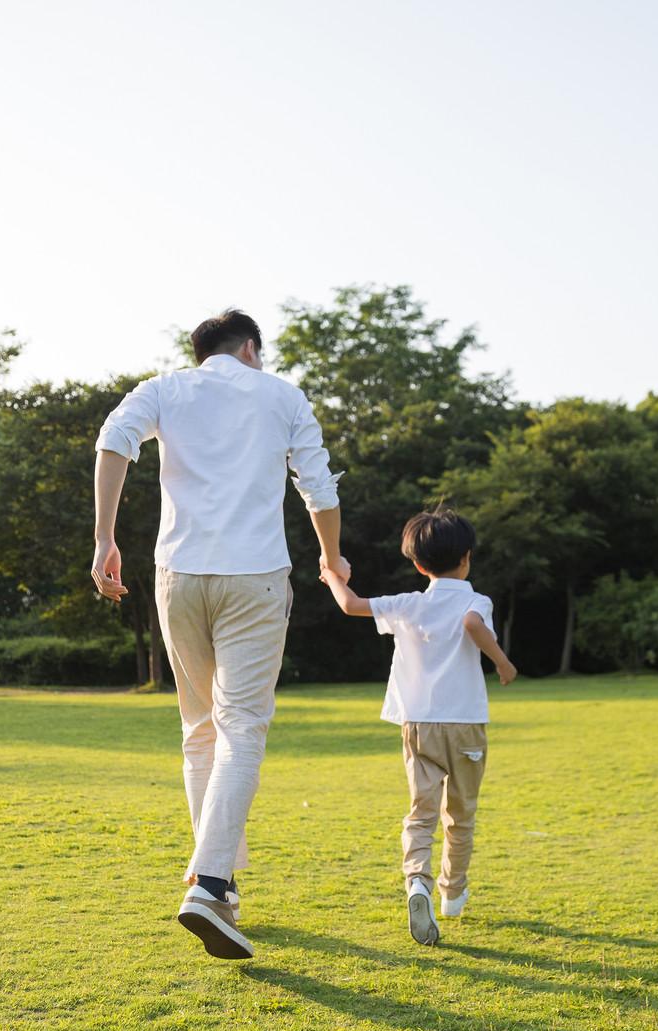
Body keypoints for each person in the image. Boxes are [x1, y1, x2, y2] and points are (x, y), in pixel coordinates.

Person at [91, 309, 347, 960]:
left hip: (177, 576)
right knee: (240, 729)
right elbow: (316, 487)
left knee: (200, 730)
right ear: (251, 348)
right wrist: (332, 557)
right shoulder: (282, 395)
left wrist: (104, 541)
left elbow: (113, 442)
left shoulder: (164, 389)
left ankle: (221, 884)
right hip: (254, 578)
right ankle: (207, 883)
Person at [317, 507, 515, 946]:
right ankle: (453, 894)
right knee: (460, 815)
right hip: (465, 725)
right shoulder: (475, 601)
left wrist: (331, 573)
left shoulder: (408, 603)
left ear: (419, 564)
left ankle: (417, 882)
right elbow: (471, 624)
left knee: (420, 811)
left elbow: (350, 606)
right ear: (466, 557)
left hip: (418, 724)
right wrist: (501, 662)